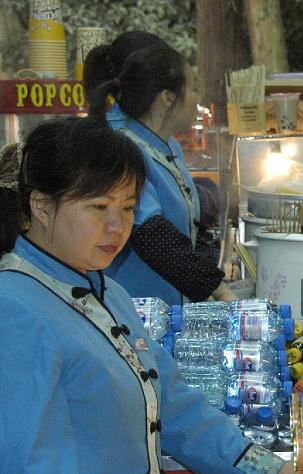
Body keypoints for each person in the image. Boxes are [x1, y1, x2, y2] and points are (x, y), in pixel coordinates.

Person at [0, 117, 302, 474]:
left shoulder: (106, 293)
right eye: (98, 207)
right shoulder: (3, 313)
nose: (118, 226)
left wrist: (271, 469)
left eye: (128, 207)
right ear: (41, 206)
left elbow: (172, 404)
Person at [87, 42, 237, 306]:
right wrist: (219, 290)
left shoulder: (166, 145)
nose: (196, 98)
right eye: (191, 89)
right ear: (167, 97)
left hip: (171, 306)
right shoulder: (125, 148)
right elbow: (151, 233)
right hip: (136, 312)